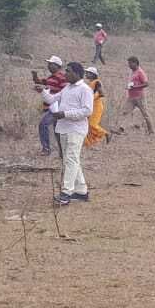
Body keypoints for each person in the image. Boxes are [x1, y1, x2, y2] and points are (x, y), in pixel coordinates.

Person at [42, 62, 94, 206]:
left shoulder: (85, 90)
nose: (65, 74)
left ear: (77, 73)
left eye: (69, 71)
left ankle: (66, 193)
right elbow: (51, 99)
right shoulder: (67, 88)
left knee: (70, 160)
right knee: (71, 159)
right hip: (64, 128)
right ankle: (82, 192)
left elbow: (87, 111)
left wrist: (65, 114)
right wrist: (42, 91)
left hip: (76, 130)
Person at [31, 56, 67, 156]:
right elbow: (40, 82)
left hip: (56, 107)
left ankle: (46, 149)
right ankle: (61, 152)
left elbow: (65, 93)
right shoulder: (51, 77)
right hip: (52, 106)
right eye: (48, 64)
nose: (48, 66)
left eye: (50, 64)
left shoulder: (62, 77)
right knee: (57, 130)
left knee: (44, 124)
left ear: (57, 66)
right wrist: (35, 76)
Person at [123, 56, 154, 135]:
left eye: (130, 63)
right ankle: (121, 129)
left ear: (135, 63)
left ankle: (151, 130)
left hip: (139, 96)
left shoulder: (140, 72)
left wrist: (135, 87)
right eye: (128, 63)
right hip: (131, 97)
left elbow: (146, 84)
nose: (129, 65)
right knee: (126, 112)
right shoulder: (132, 71)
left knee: (145, 114)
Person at [83, 67, 110, 147]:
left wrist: (93, 97)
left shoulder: (97, 82)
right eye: (86, 72)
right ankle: (89, 143)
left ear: (93, 74)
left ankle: (106, 134)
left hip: (97, 106)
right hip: (91, 106)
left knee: (92, 124)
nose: (86, 74)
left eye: (88, 73)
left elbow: (102, 94)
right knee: (88, 125)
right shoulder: (91, 83)